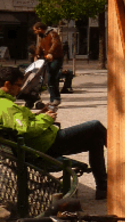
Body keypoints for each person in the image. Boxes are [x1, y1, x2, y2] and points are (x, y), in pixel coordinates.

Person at [0, 66, 107, 199]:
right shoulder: (6, 106)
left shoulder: (5, 104)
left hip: (39, 145)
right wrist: (46, 118)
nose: (20, 89)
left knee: (95, 141)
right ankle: (121, 159)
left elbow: (22, 124)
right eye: (18, 85)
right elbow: (26, 129)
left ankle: (103, 187)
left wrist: (40, 115)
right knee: (95, 126)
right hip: (44, 146)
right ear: (6, 84)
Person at [33, 22, 64, 105]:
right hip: (47, 59)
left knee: (51, 78)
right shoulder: (42, 36)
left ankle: (56, 98)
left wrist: (50, 53)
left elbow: (55, 43)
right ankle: (52, 99)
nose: (35, 32)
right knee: (49, 79)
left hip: (56, 59)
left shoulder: (52, 34)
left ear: (40, 29)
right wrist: (37, 54)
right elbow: (39, 46)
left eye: (35, 30)